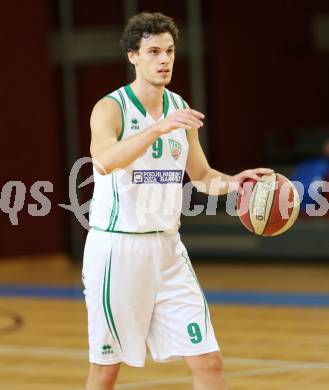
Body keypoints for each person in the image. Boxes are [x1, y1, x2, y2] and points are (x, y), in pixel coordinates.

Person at [83, 12, 272, 390]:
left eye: (169, 51)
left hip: (168, 250)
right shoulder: (111, 108)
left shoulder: (178, 107)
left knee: (209, 362)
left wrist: (234, 184)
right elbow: (103, 161)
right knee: (107, 370)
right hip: (118, 251)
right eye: (153, 51)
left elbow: (201, 177)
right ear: (133, 56)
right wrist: (155, 130)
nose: (164, 59)